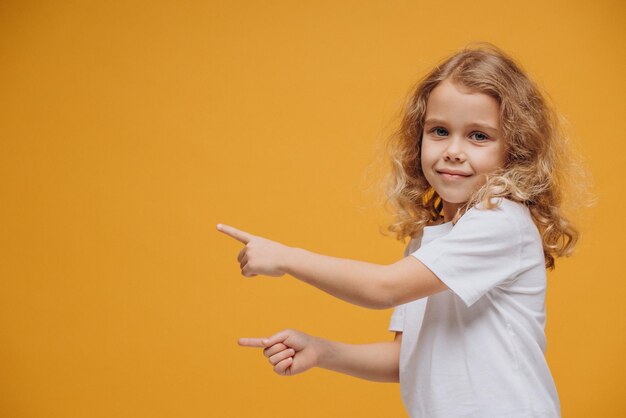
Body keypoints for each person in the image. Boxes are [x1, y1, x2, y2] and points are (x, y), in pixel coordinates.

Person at [217, 43, 581, 417]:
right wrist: (322, 351)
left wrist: (287, 257)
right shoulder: (432, 238)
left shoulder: (502, 221)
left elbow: (382, 288)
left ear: (515, 149)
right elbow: (405, 359)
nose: (454, 150)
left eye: (478, 136)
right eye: (440, 131)